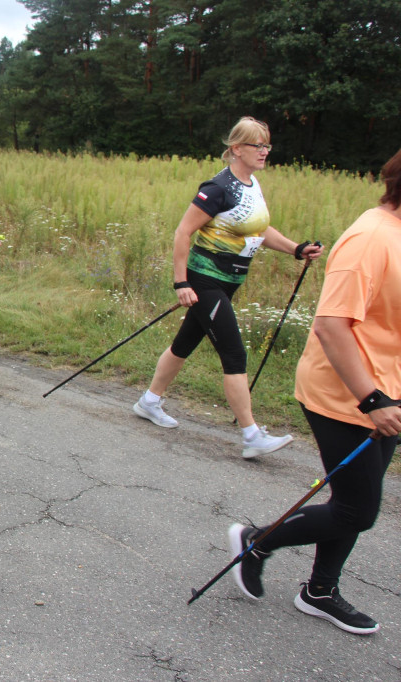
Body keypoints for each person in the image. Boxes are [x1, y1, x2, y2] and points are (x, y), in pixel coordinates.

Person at [228, 148, 401, 635]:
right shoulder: (371, 238)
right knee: (357, 509)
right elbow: (331, 326)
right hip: (346, 394)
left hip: (387, 389)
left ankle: (320, 591)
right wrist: (373, 399)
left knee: (353, 499)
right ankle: (256, 542)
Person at [132, 116, 323, 458]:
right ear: (236, 149)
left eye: (267, 145)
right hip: (206, 281)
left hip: (229, 282)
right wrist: (181, 283)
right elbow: (182, 233)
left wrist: (296, 249)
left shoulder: (250, 184)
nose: (265, 151)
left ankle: (149, 401)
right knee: (234, 354)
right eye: (257, 145)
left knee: (184, 344)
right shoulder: (218, 188)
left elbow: (259, 230)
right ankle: (251, 436)